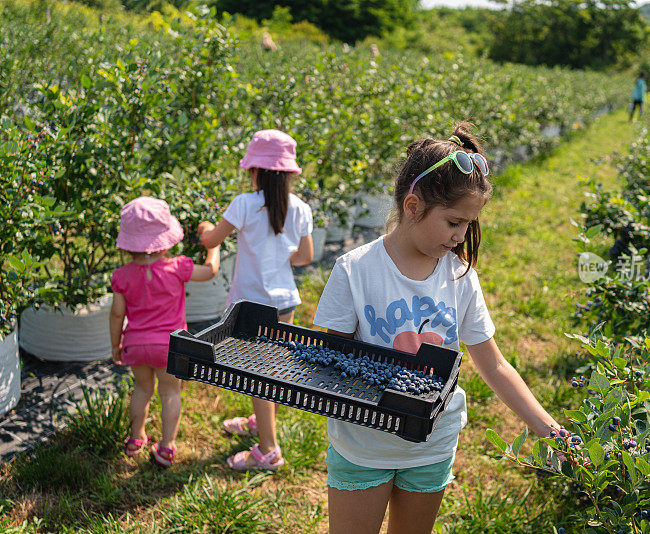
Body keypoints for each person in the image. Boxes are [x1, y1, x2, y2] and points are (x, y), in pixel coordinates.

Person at [312, 122, 566, 533]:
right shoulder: (355, 270)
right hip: (363, 445)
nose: (461, 235)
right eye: (452, 222)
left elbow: (495, 365)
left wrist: (550, 430)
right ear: (412, 207)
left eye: (468, 223)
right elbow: (330, 361)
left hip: (432, 442)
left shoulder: (459, 277)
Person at [199, 129, 314, 471]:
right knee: (270, 370)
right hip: (285, 303)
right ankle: (258, 422)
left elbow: (211, 240)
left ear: (255, 171)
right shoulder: (301, 208)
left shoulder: (243, 205)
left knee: (256, 375)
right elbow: (304, 256)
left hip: (251, 308)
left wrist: (205, 228)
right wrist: (278, 260)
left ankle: (268, 450)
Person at [110, 196, 220, 467]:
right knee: (170, 392)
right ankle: (167, 446)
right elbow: (209, 271)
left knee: (142, 389)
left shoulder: (121, 275)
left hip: (136, 344)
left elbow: (116, 314)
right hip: (169, 345)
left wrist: (116, 345)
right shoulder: (177, 266)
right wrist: (213, 246)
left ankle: (136, 437)